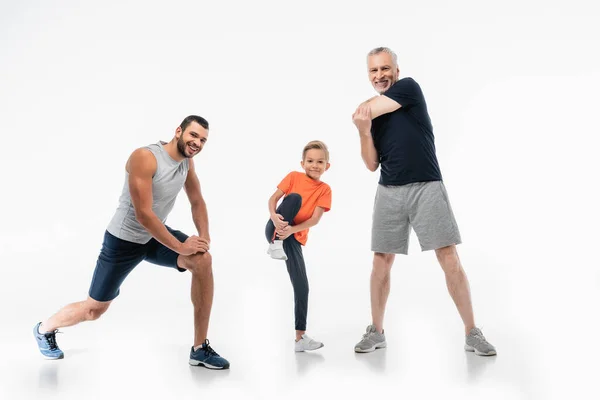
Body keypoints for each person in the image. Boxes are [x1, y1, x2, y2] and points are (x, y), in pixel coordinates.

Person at [33, 115, 230, 369]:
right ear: (178, 131)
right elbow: (143, 214)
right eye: (193, 135)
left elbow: (197, 201)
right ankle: (43, 329)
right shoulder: (145, 157)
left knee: (203, 261)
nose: (197, 143)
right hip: (123, 241)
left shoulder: (187, 164)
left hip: (155, 236)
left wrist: (204, 238)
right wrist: (181, 247)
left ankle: (199, 349)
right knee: (94, 310)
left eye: (203, 140)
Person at [351, 47, 496, 356]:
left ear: (396, 70)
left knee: (448, 256)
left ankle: (472, 332)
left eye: (385, 68)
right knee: (381, 262)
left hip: (426, 187)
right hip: (389, 190)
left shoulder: (408, 88)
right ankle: (376, 331)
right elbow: (370, 164)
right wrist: (364, 132)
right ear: (369, 75)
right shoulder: (373, 116)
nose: (380, 75)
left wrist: (362, 111)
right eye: (374, 71)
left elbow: (362, 110)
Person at [265, 140, 332, 352]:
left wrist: (292, 231)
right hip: (276, 228)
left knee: (302, 286)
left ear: (326, 166)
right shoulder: (294, 177)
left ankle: (300, 338)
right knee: (293, 198)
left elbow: (315, 219)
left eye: (320, 162)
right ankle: (275, 243)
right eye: (310, 161)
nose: (315, 165)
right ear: (302, 163)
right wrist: (274, 217)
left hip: (293, 237)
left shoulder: (324, 189)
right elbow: (273, 199)